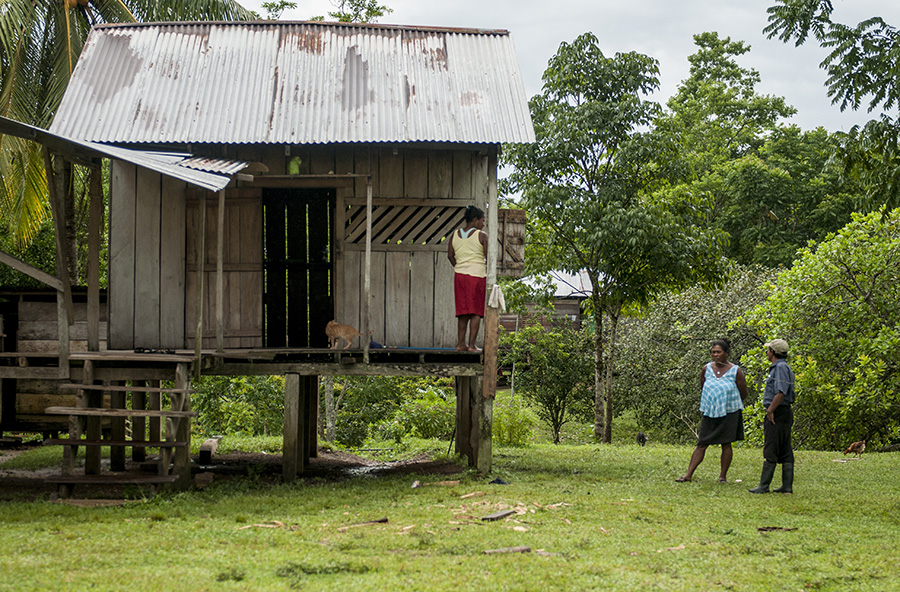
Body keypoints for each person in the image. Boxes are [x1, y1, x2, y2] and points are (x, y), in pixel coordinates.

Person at [676, 338, 749, 483]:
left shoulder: (735, 371)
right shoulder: (707, 369)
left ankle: (722, 477)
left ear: (727, 353)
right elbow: (703, 386)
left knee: (726, 443)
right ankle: (688, 475)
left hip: (729, 412)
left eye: (719, 352)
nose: (715, 355)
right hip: (710, 412)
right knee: (702, 443)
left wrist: (728, 401)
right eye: (713, 352)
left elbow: (744, 392)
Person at [749, 339, 796, 494]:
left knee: (772, 447)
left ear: (773, 352)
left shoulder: (780, 367)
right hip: (783, 412)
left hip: (778, 412)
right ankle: (786, 487)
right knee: (784, 447)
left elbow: (781, 392)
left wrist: (770, 411)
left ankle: (764, 485)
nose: (767, 352)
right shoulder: (782, 366)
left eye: (768, 349)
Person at [447, 205, 487, 352]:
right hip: (477, 275)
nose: (483, 224)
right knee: (476, 311)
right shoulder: (481, 235)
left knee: (463, 311)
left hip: (460, 276)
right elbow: (489, 257)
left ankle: (460, 344)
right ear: (475, 220)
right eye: (482, 220)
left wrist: (459, 266)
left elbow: (450, 255)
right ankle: (472, 345)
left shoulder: (454, 235)